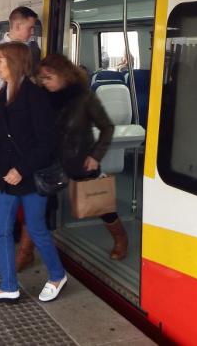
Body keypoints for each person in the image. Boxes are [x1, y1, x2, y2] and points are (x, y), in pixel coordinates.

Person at [0, 42, 67, 303]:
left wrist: (21, 170)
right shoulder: (3, 94)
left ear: (14, 64)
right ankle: (8, 286)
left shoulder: (35, 96)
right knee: (1, 227)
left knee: (36, 228)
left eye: (1, 61)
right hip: (10, 176)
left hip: (31, 176)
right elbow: (4, 143)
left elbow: (47, 143)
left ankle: (57, 275)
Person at [38, 54, 126, 259]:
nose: (45, 82)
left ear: (64, 76)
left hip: (80, 159)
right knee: (39, 204)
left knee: (100, 204)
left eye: (49, 77)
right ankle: (26, 250)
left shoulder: (85, 98)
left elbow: (107, 128)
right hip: (50, 160)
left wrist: (95, 156)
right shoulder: (42, 98)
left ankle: (121, 238)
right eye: (42, 78)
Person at [0, 6, 40, 270]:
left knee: (21, 185)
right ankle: (5, 226)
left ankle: (22, 242)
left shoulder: (30, 52)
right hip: (4, 131)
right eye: (30, 27)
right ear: (17, 25)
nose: (32, 33)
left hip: (23, 138)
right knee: (5, 180)